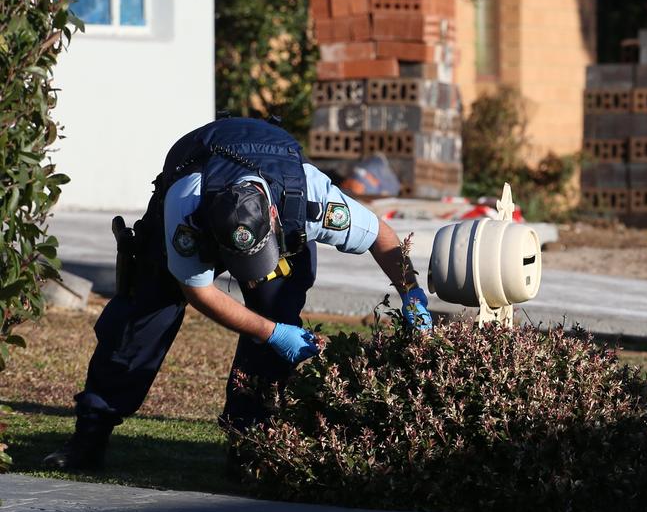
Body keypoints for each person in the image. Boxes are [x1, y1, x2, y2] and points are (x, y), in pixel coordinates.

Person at [44, 116, 433, 473]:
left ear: (274, 217)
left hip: (275, 186)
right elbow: (199, 292)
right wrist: (272, 332)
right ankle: (89, 439)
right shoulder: (186, 209)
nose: (250, 278)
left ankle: (249, 443)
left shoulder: (310, 195)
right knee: (141, 319)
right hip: (199, 173)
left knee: (277, 310)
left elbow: (380, 236)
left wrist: (411, 291)